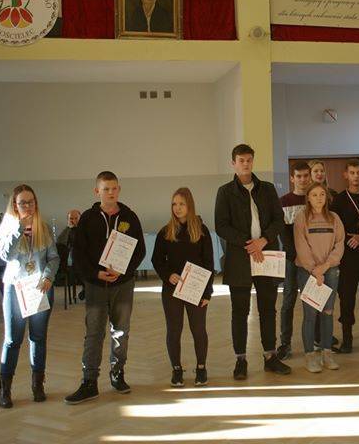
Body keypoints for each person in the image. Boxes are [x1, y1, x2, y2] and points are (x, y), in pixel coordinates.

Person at [65, 171, 146, 404]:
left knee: (121, 331)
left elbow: (139, 251)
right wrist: (95, 274)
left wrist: (123, 271)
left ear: (119, 189)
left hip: (123, 284)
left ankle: (117, 373)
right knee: (94, 333)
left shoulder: (130, 216)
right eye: (106, 189)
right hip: (96, 285)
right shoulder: (88, 218)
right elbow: (78, 255)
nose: (111, 193)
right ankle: (89, 381)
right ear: (97, 191)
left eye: (114, 188)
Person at [214, 144, 291, 380]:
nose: (246, 164)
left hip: (266, 256)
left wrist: (263, 240)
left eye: (249, 160)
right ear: (233, 163)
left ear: (252, 161)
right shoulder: (225, 192)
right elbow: (221, 226)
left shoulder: (267, 189)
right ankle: (241, 360)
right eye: (241, 160)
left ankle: (270, 357)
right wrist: (249, 244)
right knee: (240, 311)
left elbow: (279, 219)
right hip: (240, 258)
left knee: (267, 309)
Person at [0, 185, 59, 409]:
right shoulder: (7, 227)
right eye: (23, 202)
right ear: (15, 205)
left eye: (31, 201)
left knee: (38, 338)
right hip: (16, 289)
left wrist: (48, 277)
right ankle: (5, 389)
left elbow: (54, 257)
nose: (28, 206)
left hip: (40, 288)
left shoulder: (43, 227)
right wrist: (19, 228)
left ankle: (37, 385)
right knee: (13, 340)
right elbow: (6, 255)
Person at [152, 188, 213, 387]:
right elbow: (157, 260)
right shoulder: (165, 232)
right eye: (174, 204)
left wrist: (208, 292)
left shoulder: (202, 231)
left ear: (190, 206)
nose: (177, 208)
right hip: (172, 289)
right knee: (174, 330)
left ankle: (201, 368)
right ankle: (176, 369)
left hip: (196, 289)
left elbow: (209, 263)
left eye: (181, 204)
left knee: (198, 329)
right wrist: (168, 275)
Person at [294, 183, 345, 372]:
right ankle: (310, 356)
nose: (318, 198)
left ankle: (326, 354)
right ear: (308, 197)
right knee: (310, 315)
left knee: (328, 312)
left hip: (330, 271)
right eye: (314, 195)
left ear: (327, 197)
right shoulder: (302, 218)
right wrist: (314, 270)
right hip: (308, 272)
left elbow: (340, 244)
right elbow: (301, 245)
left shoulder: (334, 218)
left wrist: (326, 266)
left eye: (322, 194)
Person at [330, 160, 359, 353]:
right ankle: (347, 340)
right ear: (346, 175)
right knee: (347, 299)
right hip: (347, 257)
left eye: (358, 172)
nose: (356, 176)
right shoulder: (338, 201)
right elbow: (334, 229)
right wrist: (351, 238)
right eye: (352, 172)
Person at [277, 161, 311, 360]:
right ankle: (285, 343)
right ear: (292, 178)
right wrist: (296, 256)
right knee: (288, 300)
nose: (302, 179)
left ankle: (315, 338)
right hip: (291, 259)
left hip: (312, 260)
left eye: (306, 175)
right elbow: (283, 234)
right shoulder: (283, 201)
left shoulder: (315, 199)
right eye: (298, 176)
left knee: (313, 300)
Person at [56, 209, 83, 300]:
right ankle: (86, 289)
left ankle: (86, 289)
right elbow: (60, 243)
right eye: (71, 218)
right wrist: (69, 228)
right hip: (73, 261)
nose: (74, 221)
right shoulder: (67, 231)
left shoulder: (85, 229)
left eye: (76, 218)